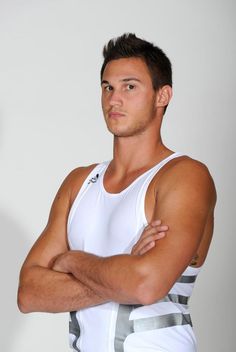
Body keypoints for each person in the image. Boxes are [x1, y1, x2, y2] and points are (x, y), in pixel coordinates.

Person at [17, 33, 216, 352]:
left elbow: (146, 284)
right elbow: (28, 293)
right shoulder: (78, 182)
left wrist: (71, 259)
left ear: (162, 95)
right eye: (107, 87)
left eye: (130, 86)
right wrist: (122, 268)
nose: (114, 99)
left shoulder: (185, 176)